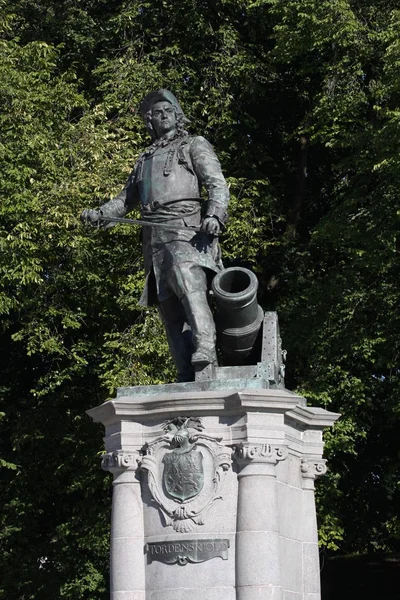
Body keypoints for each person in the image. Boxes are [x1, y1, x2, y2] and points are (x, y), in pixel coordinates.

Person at [81, 89, 229, 382]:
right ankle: (184, 369)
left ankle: (205, 352)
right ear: (150, 120)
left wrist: (214, 215)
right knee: (169, 307)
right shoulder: (144, 158)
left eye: (168, 111)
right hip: (154, 238)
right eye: (157, 112)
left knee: (191, 288)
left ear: (178, 115)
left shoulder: (192, 144)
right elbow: (126, 199)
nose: (163, 116)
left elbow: (216, 183)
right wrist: (101, 213)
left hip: (186, 230)